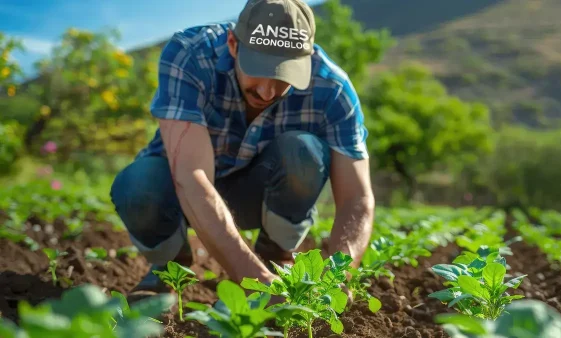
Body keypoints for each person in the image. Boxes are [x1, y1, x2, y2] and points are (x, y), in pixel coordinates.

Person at [109, 0, 375, 300]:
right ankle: (170, 272)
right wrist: (255, 280)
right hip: (181, 191)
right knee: (138, 186)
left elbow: (357, 198)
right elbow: (191, 177)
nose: (266, 91)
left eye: (283, 77)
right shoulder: (191, 55)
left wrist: (337, 278)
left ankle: (276, 255)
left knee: (305, 153)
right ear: (233, 44)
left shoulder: (333, 88)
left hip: (259, 190)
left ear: (307, 58)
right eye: (258, 70)